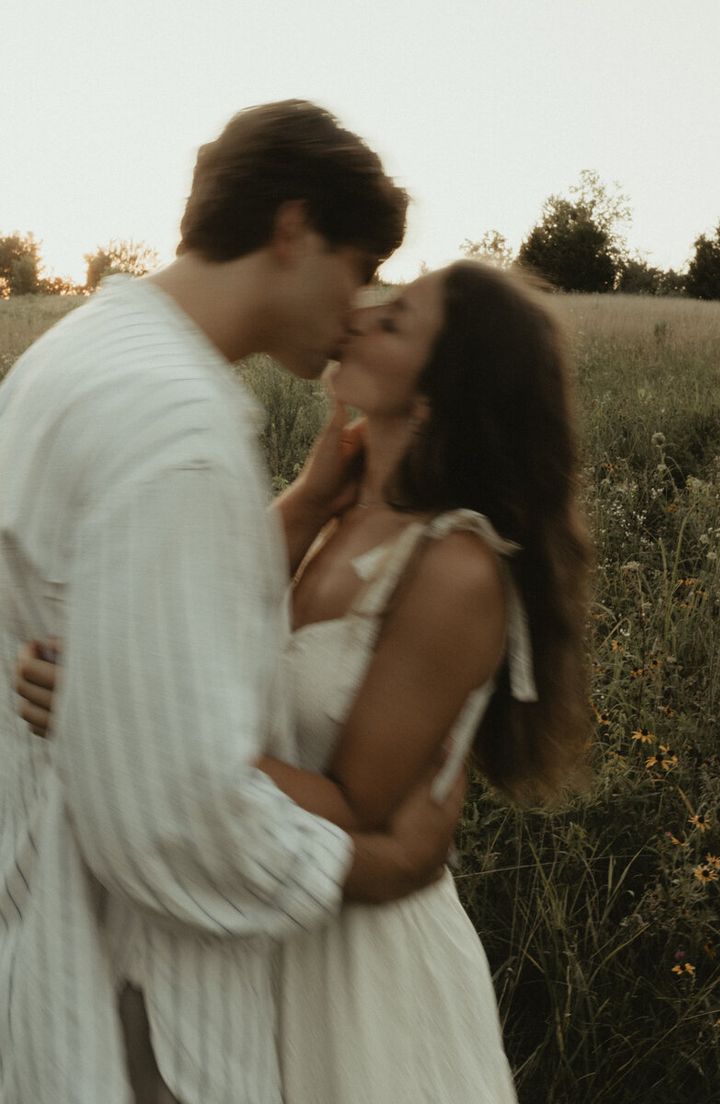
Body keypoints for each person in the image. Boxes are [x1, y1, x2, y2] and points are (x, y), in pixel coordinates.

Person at [17, 261, 592, 1102]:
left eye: (393, 321)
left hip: (360, 971)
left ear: (438, 390)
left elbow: (351, 803)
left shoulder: (453, 566)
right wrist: (311, 501)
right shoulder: (337, 512)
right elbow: (207, 628)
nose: (358, 319)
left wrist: (123, 713)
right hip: (259, 927)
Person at [0, 100, 466, 1104]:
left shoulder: (75, 362)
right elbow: (177, 816)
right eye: (355, 269)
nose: (354, 310)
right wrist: (371, 866)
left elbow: (135, 609)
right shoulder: (180, 433)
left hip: (54, 946)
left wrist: (289, 517)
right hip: (147, 1015)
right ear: (292, 230)